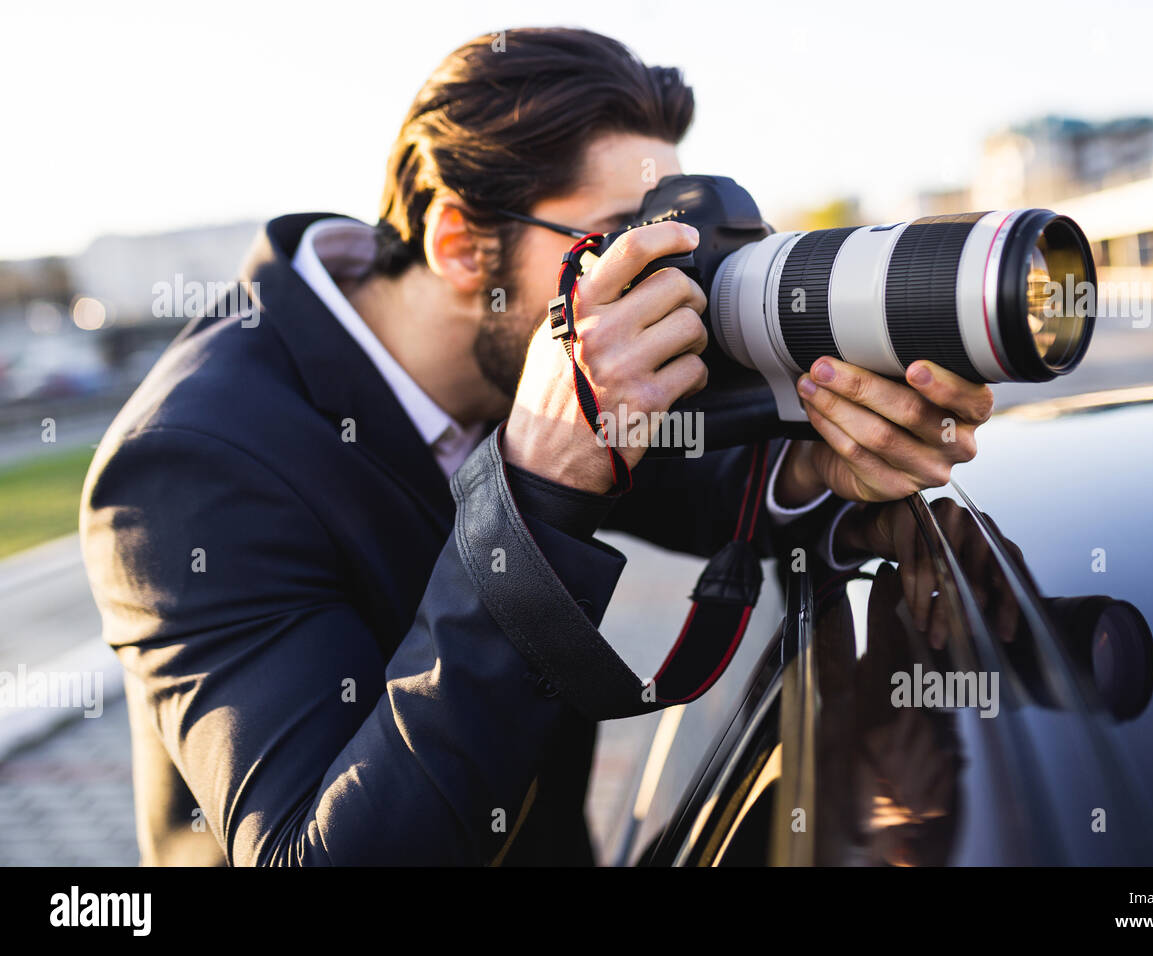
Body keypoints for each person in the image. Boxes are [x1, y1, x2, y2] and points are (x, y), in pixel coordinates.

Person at [80, 27, 993, 865]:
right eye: (619, 243)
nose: (653, 284)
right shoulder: (187, 468)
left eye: (671, 236)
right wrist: (537, 480)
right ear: (458, 244)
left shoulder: (526, 340)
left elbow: (677, 471)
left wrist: (812, 465)